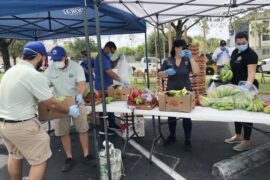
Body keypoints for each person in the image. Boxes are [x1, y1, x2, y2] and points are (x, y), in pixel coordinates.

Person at [0, 41, 79, 180]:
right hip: (23, 125)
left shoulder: (11, 71)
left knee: (15, 155)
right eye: (44, 58)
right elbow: (52, 103)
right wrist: (69, 110)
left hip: (4, 125)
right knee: (39, 160)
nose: (44, 61)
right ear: (38, 56)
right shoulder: (33, 74)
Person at [44, 46, 91, 172]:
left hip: (76, 100)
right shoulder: (49, 70)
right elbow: (46, 87)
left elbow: (81, 83)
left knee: (83, 128)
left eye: (59, 59)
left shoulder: (76, 67)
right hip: (59, 103)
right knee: (62, 131)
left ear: (65, 56)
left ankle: (87, 154)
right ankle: (69, 157)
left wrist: (80, 95)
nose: (57, 62)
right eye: (54, 60)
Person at [158, 40, 200, 151]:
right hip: (171, 92)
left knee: (186, 117)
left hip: (185, 92)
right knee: (171, 116)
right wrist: (166, 72)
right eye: (181, 48)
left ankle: (188, 140)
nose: (183, 50)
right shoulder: (168, 60)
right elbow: (159, 74)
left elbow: (196, 72)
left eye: (185, 48)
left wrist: (191, 58)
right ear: (176, 48)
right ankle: (172, 136)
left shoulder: (187, 60)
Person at [224, 32, 259, 152]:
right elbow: (231, 67)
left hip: (247, 87)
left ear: (248, 41)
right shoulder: (235, 52)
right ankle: (238, 135)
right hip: (235, 85)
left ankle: (247, 141)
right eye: (238, 43)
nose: (241, 45)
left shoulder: (251, 55)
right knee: (237, 112)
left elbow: (251, 74)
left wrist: (246, 87)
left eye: (243, 43)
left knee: (246, 114)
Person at [94, 41, 128, 135]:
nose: (111, 54)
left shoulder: (105, 57)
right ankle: (103, 129)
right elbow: (109, 71)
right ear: (107, 48)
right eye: (111, 52)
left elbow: (112, 65)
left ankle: (112, 124)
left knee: (109, 106)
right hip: (102, 86)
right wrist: (121, 79)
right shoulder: (101, 57)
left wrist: (118, 59)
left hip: (107, 85)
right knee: (103, 108)